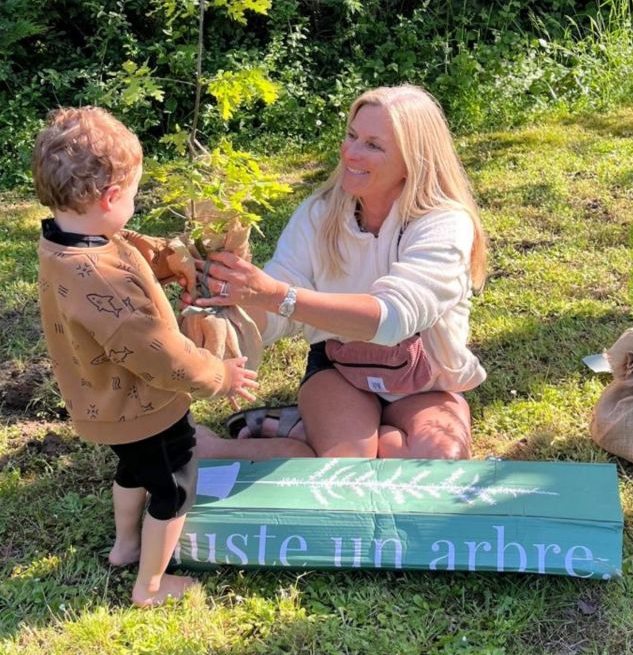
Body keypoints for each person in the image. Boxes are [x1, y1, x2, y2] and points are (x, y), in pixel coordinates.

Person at [33, 107, 259, 607]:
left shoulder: (66, 239)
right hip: (144, 406)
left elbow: (124, 244)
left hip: (108, 407)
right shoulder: (101, 280)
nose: (132, 206)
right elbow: (160, 354)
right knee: (174, 486)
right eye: (133, 194)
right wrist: (218, 374)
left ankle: (125, 547)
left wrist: (164, 256)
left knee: (134, 469)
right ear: (111, 197)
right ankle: (152, 585)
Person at [190, 85, 487, 462]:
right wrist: (226, 312)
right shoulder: (319, 214)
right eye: (351, 136)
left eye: (373, 145)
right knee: (348, 469)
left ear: (415, 159)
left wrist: (274, 295)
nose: (350, 152)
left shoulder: (443, 223)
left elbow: (394, 318)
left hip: (426, 379)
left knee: (439, 462)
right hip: (341, 368)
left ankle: (301, 433)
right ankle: (217, 448)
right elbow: (278, 316)